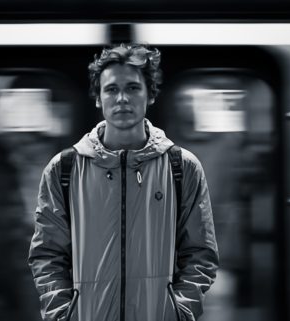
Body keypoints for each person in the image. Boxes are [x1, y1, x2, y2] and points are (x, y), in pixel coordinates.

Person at [28, 44, 219, 321]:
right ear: (98, 98)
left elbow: (200, 254)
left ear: (149, 94)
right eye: (111, 89)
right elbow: (47, 255)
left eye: (132, 88)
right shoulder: (64, 170)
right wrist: (62, 315)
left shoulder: (182, 167)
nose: (122, 99)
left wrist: (178, 312)